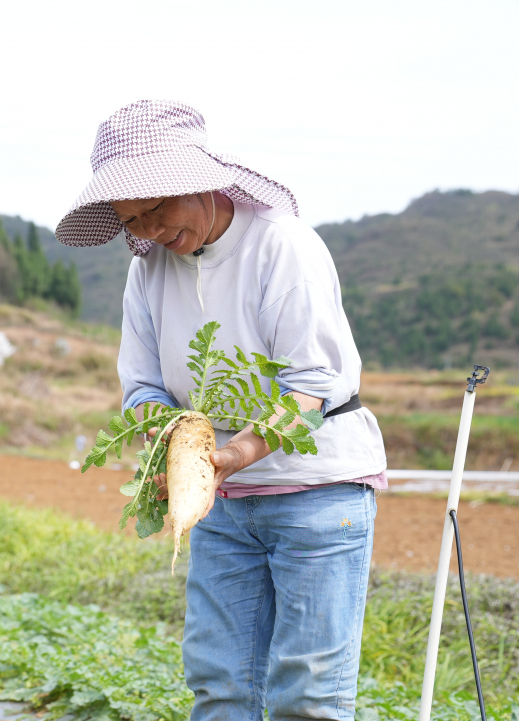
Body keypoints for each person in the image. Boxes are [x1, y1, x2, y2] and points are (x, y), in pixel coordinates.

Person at [56, 100, 387, 721]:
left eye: (158, 208)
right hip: (223, 504)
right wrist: (172, 442)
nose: (149, 229)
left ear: (200, 179)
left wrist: (230, 455)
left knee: (309, 694)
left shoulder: (281, 247)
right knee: (220, 684)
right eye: (134, 219)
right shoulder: (147, 269)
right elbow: (143, 384)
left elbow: (311, 389)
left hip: (315, 494)